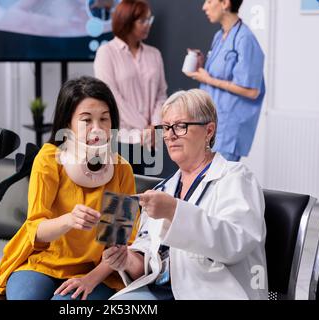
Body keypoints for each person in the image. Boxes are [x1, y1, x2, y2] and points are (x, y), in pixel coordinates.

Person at [102, 89, 268, 300]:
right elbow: (150, 263)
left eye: (180, 126)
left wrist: (174, 210)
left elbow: (235, 243)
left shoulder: (236, 178)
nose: (170, 135)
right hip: (164, 292)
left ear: (209, 131)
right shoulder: (165, 189)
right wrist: (126, 260)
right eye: (166, 127)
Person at [0, 76, 138, 300]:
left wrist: (90, 279)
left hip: (95, 271)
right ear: (67, 122)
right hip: (42, 263)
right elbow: (36, 227)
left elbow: (118, 245)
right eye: (86, 120)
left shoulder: (121, 170)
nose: (96, 129)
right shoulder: (49, 159)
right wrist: (69, 220)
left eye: (104, 120)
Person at [184, 0, 265, 162]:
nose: (204, 7)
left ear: (225, 3)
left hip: (228, 128)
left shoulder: (245, 39)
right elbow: (219, 75)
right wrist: (203, 67)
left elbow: (252, 91)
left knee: (220, 183)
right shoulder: (220, 36)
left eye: (209, 1)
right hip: (212, 123)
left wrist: (209, 79)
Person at [94, 0, 168, 175]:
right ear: (126, 21)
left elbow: (161, 94)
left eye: (149, 20)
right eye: (142, 21)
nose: (147, 25)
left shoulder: (154, 54)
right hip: (123, 139)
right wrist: (145, 127)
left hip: (150, 140)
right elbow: (112, 97)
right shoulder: (107, 53)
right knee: (122, 196)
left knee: (148, 193)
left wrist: (155, 126)